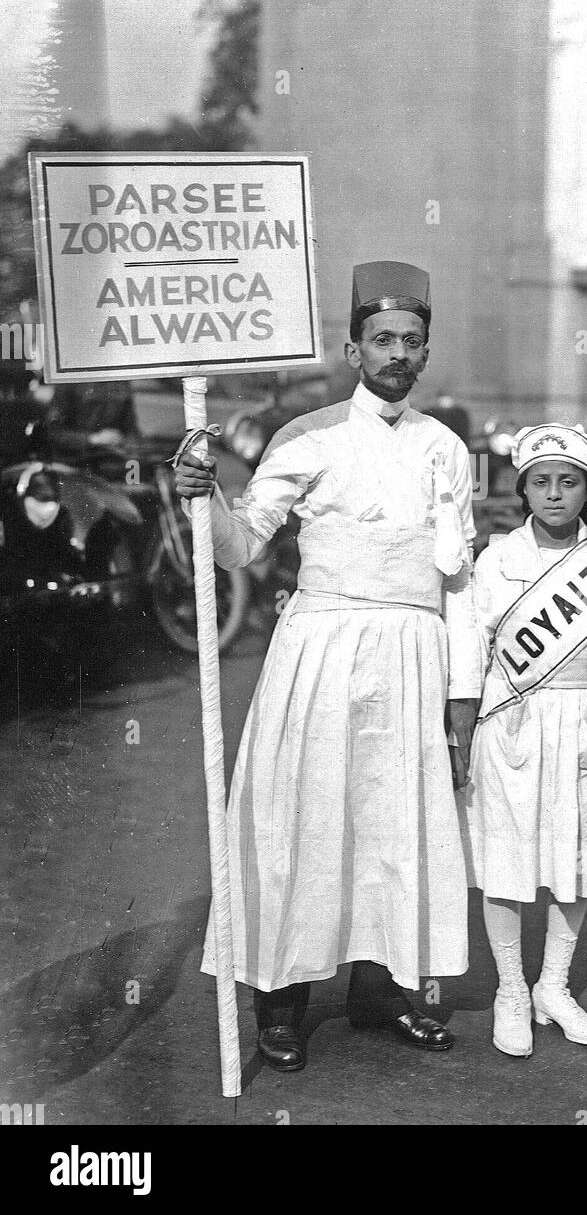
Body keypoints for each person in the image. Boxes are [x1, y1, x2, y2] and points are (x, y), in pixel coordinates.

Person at [174, 261, 482, 1071]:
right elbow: (241, 547)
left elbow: (460, 583)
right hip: (322, 647)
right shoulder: (305, 437)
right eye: (382, 340)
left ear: (424, 352)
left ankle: (380, 993)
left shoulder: (446, 449)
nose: (397, 355)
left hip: (413, 650)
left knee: (396, 818)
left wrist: (462, 697)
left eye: (412, 342)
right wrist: (200, 493)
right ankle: (280, 1002)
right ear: (353, 349)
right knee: (304, 816)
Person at [462, 424, 587, 1057]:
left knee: (578, 861)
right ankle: (511, 991)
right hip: (514, 726)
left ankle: (554, 986)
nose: (554, 494)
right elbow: (471, 651)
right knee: (510, 863)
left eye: (568, 482)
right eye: (540, 482)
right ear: (522, 489)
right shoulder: (498, 560)